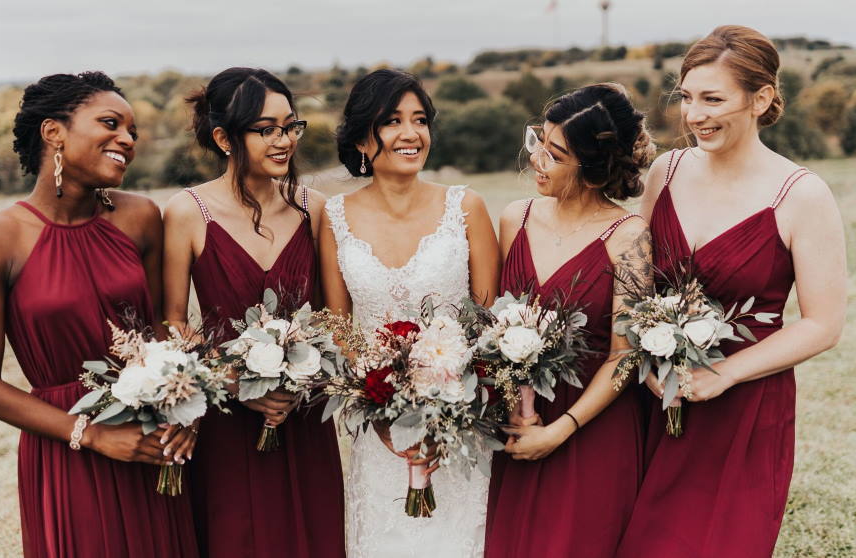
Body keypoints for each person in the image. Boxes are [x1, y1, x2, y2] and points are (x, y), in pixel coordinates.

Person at [616, 26, 847, 558]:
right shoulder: (665, 172)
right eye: (688, 98)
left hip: (744, 406)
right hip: (651, 398)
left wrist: (722, 375)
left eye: (713, 99)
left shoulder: (801, 194)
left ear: (761, 98)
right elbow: (634, 286)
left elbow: (823, 324)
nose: (695, 115)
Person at [0, 72, 198, 557]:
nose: (127, 140)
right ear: (54, 133)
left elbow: (158, 330)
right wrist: (92, 435)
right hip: (65, 446)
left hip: (152, 439)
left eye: (132, 131)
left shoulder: (140, 217)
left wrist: (186, 407)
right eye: (111, 124)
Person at [162, 67, 344, 558]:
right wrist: (235, 385)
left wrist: (305, 378)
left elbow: (333, 317)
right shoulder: (187, 212)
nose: (283, 141)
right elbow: (174, 323)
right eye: (266, 130)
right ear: (224, 137)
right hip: (226, 420)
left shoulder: (317, 209)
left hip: (301, 416)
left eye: (290, 126)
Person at [319, 69, 500, 557]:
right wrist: (379, 405)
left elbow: (489, 324)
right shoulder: (333, 217)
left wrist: (450, 407)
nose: (411, 134)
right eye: (392, 121)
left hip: (459, 427)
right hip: (378, 432)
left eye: (420, 120)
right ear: (361, 137)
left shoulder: (467, 207)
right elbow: (339, 330)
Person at [485, 83, 654, 557]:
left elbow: (626, 356)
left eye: (555, 154)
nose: (537, 158)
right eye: (538, 140)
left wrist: (562, 429)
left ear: (594, 169)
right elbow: (493, 326)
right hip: (520, 423)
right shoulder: (513, 219)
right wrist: (516, 410)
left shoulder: (629, 236)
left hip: (592, 429)